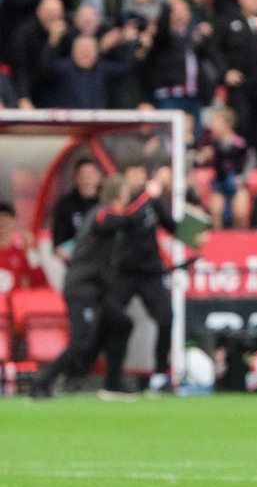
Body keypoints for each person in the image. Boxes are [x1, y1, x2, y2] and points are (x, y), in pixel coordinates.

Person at [29, 174, 131, 399]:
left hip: (98, 289)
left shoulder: (105, 214)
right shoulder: (103, 212)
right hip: (83, 288)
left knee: (122, 323)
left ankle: (113, 384)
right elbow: (111, 222)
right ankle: (42, 384)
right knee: (80, 344)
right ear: (121, 195)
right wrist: (144, 202)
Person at [95, 165, 178, 396]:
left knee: (166, 318)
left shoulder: (150, 202)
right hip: (124, 273)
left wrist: (195, 235)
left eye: (143, 173)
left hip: (151, 273)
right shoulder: (121, 206)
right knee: (114, 320)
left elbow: (171, 226)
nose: (140, 178)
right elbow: (126, 216)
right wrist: (148, 195)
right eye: (135, 174)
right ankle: (112, 376)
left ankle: (160, 375)